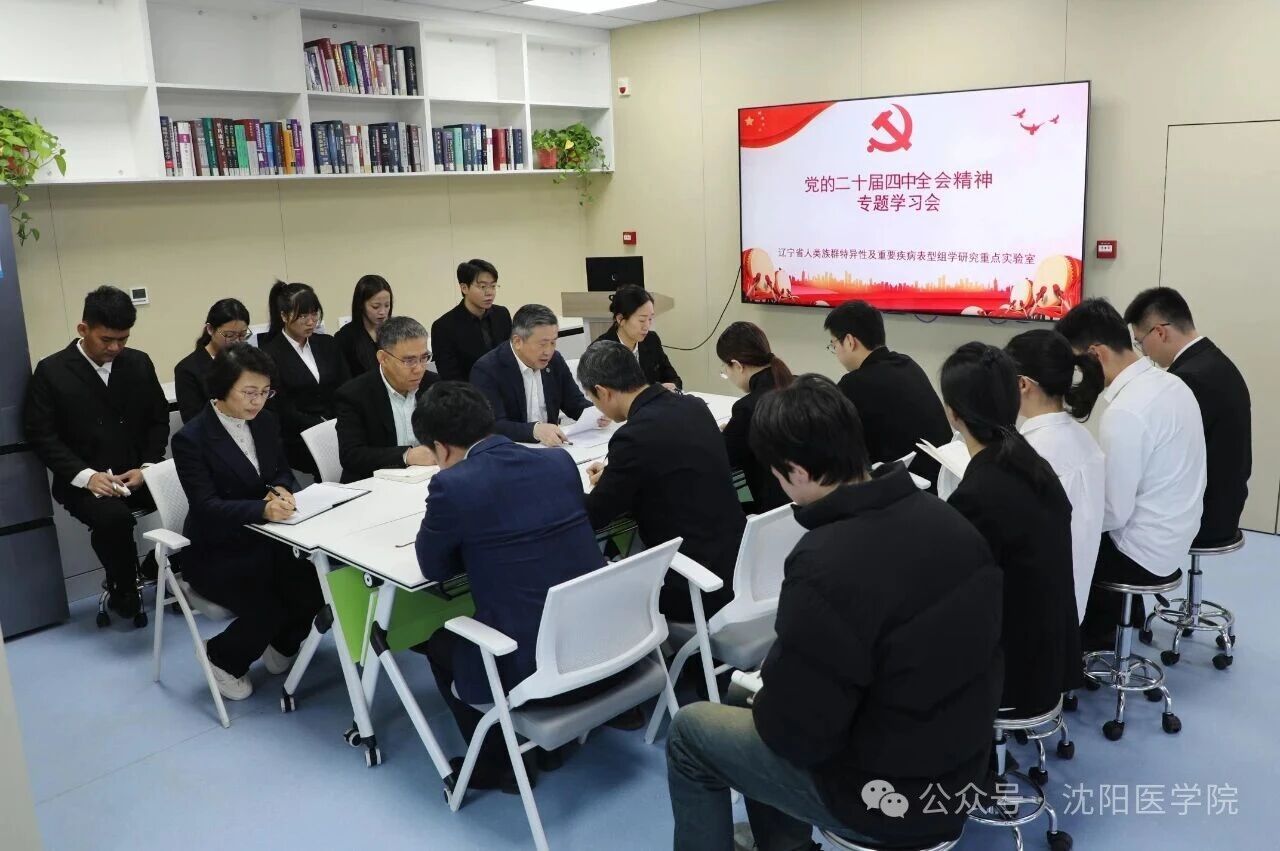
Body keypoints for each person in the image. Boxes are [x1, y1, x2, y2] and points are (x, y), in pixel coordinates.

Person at [666, 375, 1003, 851]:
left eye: (777, 475)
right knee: (748, 701)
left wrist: (771, 691)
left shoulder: (824, 562)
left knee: (690, 733)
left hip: (882, 795)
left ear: (796, 472)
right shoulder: (950, 521)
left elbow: (798, 735)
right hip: (962, 767)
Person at [411, 381, 606, 790]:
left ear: (440, 449)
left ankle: (500, 765)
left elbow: (434, 567)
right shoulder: (557, 463)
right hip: (599, 644)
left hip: (535, 667)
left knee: (440, 643)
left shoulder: (452, 486)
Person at [171, 344, 324, 700]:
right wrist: (261, 510)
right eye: (249, 392)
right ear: (222, 388)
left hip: (269, 538)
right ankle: (220, 657)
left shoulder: (266, 421)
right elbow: (206, 506)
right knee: (270, 603)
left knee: (316, 585)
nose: (258, 402)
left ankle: (282, 643)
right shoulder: (191, 438)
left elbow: (280, 469)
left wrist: (282, 488)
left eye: (265, 392)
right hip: (217, 549)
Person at [1056, 298, 1206, 650]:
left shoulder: (1126, 411)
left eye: (1078, 363)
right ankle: (1119, 621)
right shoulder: (1171, 384)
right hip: (1177, 539)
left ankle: (1082, 646)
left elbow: (1113, 513)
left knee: (1051, 547)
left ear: (1096, 354)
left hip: (1140, 555)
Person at [941, 342, 1080, 716]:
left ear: (953, 414)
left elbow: (955, 595)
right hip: (1053, 655)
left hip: (1015, 673)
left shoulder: (980, 493)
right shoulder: (1030, 462)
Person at [24, 286, 169, 623]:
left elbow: (158, 419)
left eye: (123, 339)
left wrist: (147, 466)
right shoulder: (52, 372)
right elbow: (42, 436)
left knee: (198, 489)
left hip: (138, 473)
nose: (115, 348)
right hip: (82, 481)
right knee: (114, 519)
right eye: (107, 340)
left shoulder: (138, 363)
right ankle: (123, 587)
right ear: (83, 329)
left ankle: (164, 566)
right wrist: (87, 477)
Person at [578, 341, 745, 620]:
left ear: (602, 391)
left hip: (693, 585)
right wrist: (617, 471)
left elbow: (596, 513)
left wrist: (561, 484)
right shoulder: (694, 407)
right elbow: (671, 463)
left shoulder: (632, 437)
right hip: (737, 565)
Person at [1123, 287, 1251, 546]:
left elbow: (1163, 459)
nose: (1144, 353)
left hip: (1204, 517)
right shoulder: (1215, 362)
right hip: (1226, 506)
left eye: (1140, 342)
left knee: (1107, 526)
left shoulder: (1187, 380)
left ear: (1160, 332)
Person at [1005, 329, 1107, 622]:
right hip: (1074, 599)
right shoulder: (1085, 439)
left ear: (1022, 384)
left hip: (1035, 607)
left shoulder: (1030, 454)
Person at [824, 300, 953, 488]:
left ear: (850, 341)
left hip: (905, 490)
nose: (835, 350)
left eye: (834, 343)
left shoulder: (853, 385)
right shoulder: (907, 364)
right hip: (942, 484)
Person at [471, 304, 596, 446]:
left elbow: (574, 403)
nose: (548, 351)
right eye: (542, 344)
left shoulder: (554, 361)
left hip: (551, 447)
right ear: (518, 342)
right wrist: (534, 430)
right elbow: (493, 426)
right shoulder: (487, 370)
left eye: (553, 343)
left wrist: (597, 413)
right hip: (510, 449)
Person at [334, 316, 439, 483]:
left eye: (424, 358)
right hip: (374, 484)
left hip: (428, 478)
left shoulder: (434, 384)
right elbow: (352, 455)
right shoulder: (354, 395)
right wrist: (407, 455)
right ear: (383, 358)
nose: (419, 369)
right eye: (409, 361)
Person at [262, 281, 351, 476]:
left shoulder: (327, 344)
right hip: (298, 437)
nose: (311, 322)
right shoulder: (270, 353)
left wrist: (340, 420)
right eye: (303, 316)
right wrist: (319, 426)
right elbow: (281, 406)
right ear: (284, 316)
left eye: (314, 314)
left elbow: (346, 386)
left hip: (338, 427)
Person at [716, 321, 794, 513]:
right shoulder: (802, 385)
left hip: (772, 510)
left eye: (725, 368)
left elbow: (723, 458)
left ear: (737, 365)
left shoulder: (747, 408)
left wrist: (723, 434)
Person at [431, 259, 513, 381]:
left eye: (493, 286)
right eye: (483, 287)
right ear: (464, 288)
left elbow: (511, 356)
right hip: (469, 390)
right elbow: (450, 377)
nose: (490, 293)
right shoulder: (444, 327)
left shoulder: (502, 314)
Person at [174, 298, 252, 423]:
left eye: (242, 335)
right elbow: (193, 420)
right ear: (210, 329)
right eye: (229, 335)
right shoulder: (187, 369)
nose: (237, 341)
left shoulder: (250, 360)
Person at [594, 284, 682, 389]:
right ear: (620, 319)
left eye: (650, 319)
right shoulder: (600, 351)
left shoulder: (651, 340)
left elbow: (674, 379)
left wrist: (672, 386)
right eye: (642, 320)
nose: (647, 326)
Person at [333, 274, 393, 377]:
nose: (382, 312)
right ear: (361, 305)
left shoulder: (394, 331)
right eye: (375, 306)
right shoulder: (346, 337)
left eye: (387, 305)